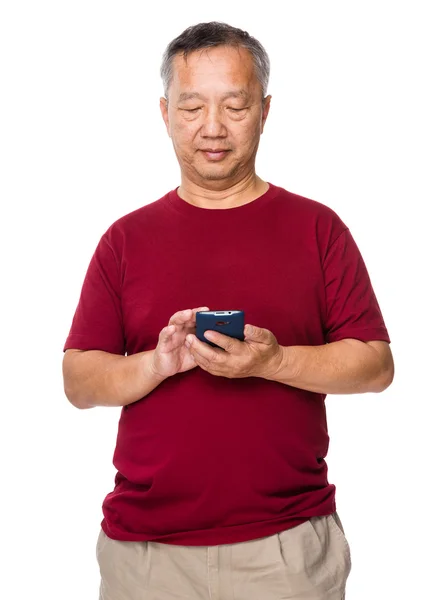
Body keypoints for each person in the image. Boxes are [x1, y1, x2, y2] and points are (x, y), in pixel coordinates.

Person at [62, 21, 394, 600]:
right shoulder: (124, 239)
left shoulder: (318, 229)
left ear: (265, 110)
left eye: (235, 106)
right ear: (164, 113)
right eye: (192, 107)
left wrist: (272, 361)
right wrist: (156, 365)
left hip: (287, 552)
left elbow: (375, 365)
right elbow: (78, 381)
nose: (212, 128)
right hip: (146, 555)